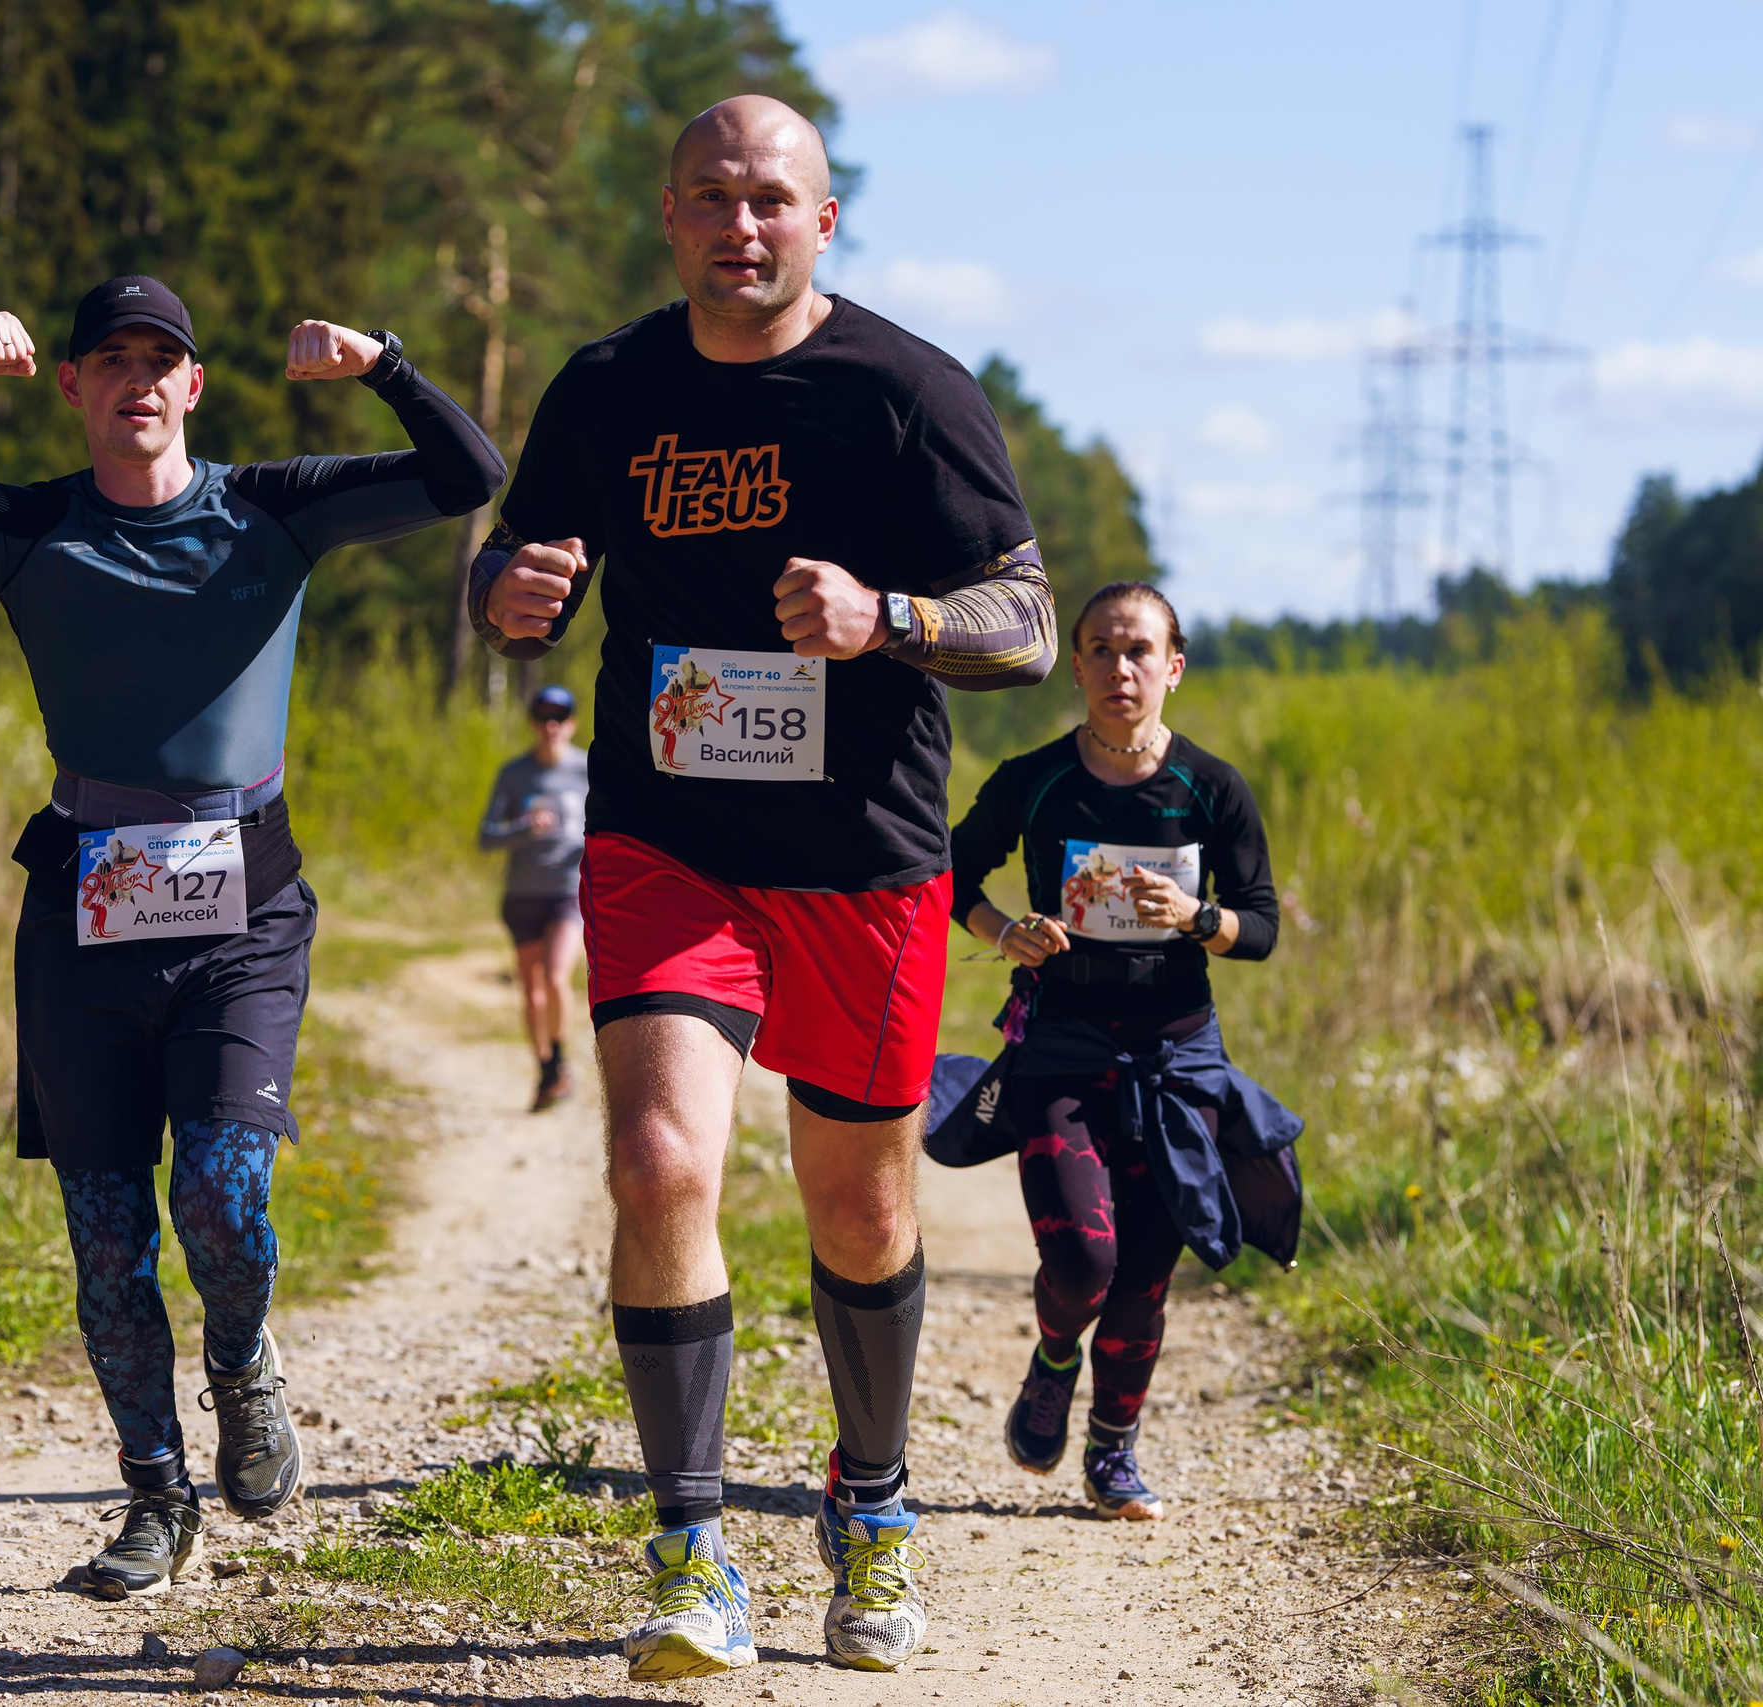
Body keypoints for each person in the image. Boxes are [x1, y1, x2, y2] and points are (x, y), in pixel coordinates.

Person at [469, 96, 1057, 1678]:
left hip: (862, 853)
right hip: (668, 834)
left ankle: (870, 1502)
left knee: (861, 1204)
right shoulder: (606, 386)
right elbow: (515, 569)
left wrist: (889, 618)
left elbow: (1029, 626)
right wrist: (504, 593)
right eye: (711, 199)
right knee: (661, 1162)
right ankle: (693, 1545)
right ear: (668, 219)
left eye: (771, 200)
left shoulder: (907, 391)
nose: (742, 226)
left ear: (824, 220)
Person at [0, 277, 502, 1598]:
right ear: (73, 387)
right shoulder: (34, 526)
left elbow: (465, 474)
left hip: (245, 905)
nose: (137, 379)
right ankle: (153, 1493)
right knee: (105, 1226)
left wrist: (386, 363)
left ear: (194, 387)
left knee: (222, 1194)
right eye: (110, 360)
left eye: (162, 360)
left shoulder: (272, 506)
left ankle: (243, 1362)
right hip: (85, 908)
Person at [927, 580, 1301, 1523]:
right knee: (1087, 1262)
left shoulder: (1213, 789)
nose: (1119, 667)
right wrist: (1005, 929)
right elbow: (948, 872)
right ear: (1078, 663)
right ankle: (1056, 1357)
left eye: (1139, 650)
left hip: (1178, 1062)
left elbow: (1261, 926)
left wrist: (1199, 917)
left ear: (1173, 667)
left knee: (1142, 1277)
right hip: (1063, 1049)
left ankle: (1113, 1451)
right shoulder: (1036, 777)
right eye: (1100, 648)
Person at [475, 684, 590, 1110]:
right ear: (533, 723)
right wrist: (524, 826)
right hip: (522, 895)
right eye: (543, 717)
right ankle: (544, 1069)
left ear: (573, 723)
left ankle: (559, 1061)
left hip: (567, 891)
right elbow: (486, 837)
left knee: (557, 976)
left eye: (560, 718)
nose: (551, 726)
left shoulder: (588, 769)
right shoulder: (514, 773)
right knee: (532, 990)